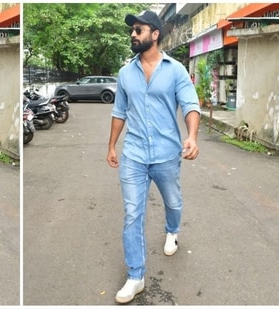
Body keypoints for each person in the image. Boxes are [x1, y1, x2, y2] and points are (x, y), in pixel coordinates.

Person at [106, 10, 200, 304]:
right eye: (132, 31)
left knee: (173, 201)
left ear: (155, 34)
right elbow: (119, 111)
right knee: (132, 213)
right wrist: (111, 145)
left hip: (166, 154)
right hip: (134, 153)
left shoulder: (175, 70)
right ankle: (136, 276)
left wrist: (192, 136)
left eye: (138, 30)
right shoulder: (125, 73)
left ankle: (172, 230)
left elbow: (190, 104)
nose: (133, 35)